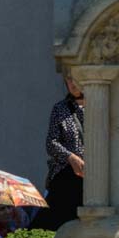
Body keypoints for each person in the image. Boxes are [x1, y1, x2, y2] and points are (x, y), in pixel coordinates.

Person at [37, 74, 86, 228]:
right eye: (68, 79)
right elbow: (51, 143)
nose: (72, 83)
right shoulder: (60, 108)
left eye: (75, 78)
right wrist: (71, 158)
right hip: (67, 173)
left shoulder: (101, 106)